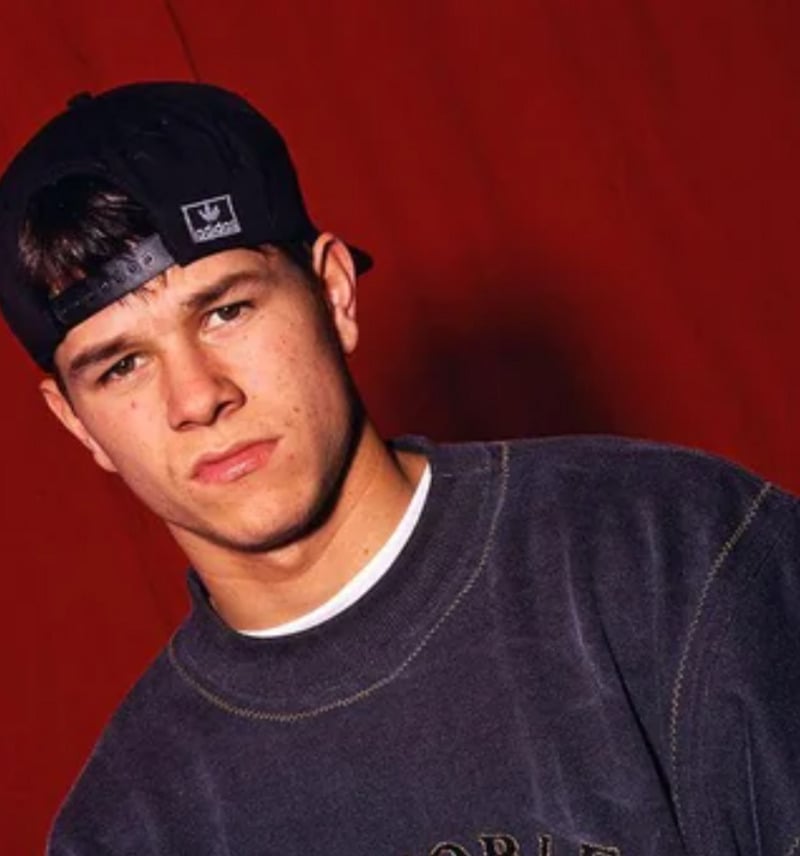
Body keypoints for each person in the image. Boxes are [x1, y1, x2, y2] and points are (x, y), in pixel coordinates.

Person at [0, 82, 798, 856]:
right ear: (77, 423)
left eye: (226, 310)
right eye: (122, 367)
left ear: (335, 294)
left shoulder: (673, 548)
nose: (199, 397)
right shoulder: (126, 827)